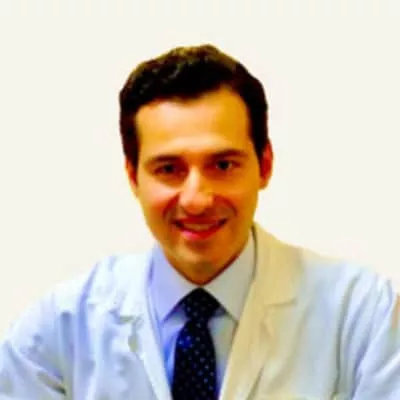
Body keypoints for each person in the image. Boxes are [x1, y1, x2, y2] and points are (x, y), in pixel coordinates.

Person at [1, 44, 399, 400]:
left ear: (264, 165)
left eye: (223, 165)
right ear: (132, 176)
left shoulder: (362, 315)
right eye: (168, 168)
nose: (196, 200)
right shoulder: (58, 329)